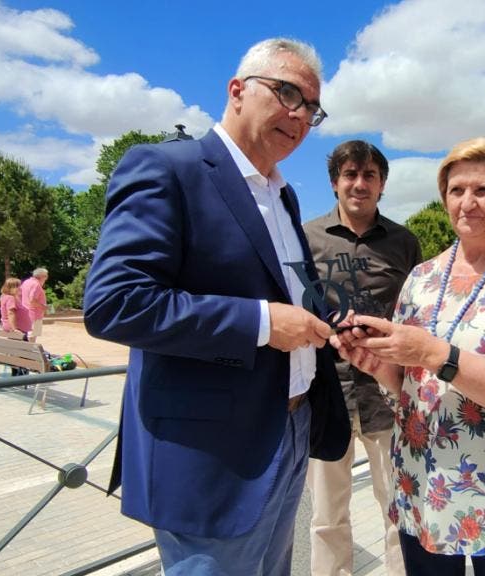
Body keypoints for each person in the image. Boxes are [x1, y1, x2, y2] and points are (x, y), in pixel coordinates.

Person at [82, 38, 349, 576]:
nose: (300, 115)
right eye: (287, 93)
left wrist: (330, 325)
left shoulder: (283, 194)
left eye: (312, 108)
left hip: (289, 430)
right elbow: (115, 302)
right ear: (237, 90)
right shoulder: (166, 167)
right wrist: (262, 322)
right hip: (211, 457)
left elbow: (281, 289)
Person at [332, 137, 485, 575]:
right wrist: (378, 366)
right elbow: (410, 385)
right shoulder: (422, 277)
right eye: (456, 190)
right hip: (424, 484)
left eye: (483, 190)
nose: (466, 203)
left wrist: (435, 353)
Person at [303, 140, 420, 576]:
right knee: (326, 514)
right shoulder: (306, 238)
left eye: (369, 175)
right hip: (325, 393)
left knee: (398, 506)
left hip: (386, 394)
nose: (359, 184)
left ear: (382, 184)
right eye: (350, 174)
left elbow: (418, 314)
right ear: (335, 182)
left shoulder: (404, 243)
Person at [20, 268, 49, 342]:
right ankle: (31, 348)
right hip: (35, 314)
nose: (46, 278)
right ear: (41, 276)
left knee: (29, 333)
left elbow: (19, 294)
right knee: (33, 335)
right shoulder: (36, 284)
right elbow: (32, 300)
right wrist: (44, 307)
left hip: (25, 312)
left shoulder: (26, 282)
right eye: (45, 276)